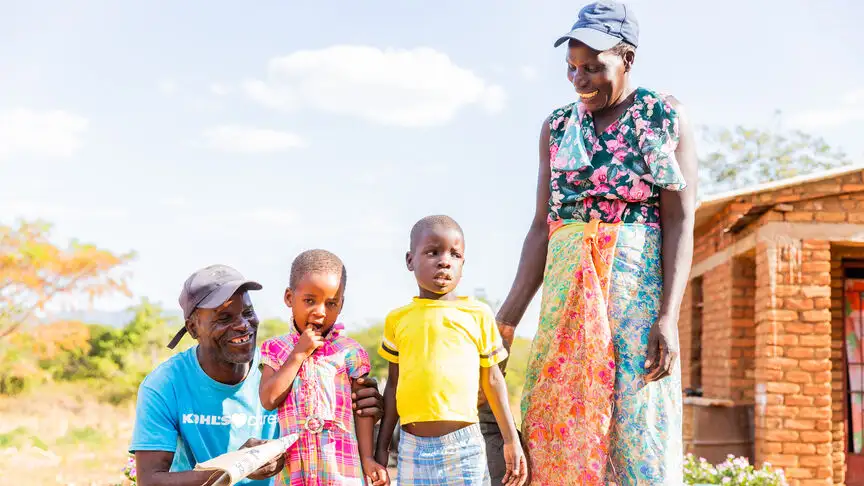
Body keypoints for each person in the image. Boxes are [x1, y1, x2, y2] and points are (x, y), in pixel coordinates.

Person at [493, 1, 698, 484]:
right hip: (567, 299)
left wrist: (668, 316)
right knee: (561, 417)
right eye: (571, 68)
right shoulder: (557, 126)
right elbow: (543, 226)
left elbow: (681, 220)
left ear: (627, 59)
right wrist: (505, 321)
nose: (579, 78)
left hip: (634, 301)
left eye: (592, 67)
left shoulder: (662, 115)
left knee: (638, 423)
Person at [130, 264, 385, 486]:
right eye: (224, 318)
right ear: (193, 327)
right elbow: (151, 480)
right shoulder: (164, 385)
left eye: (248, 312)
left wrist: (364, 403)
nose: (242, 324)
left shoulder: (287, 366)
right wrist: (238, 467)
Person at [375, 215, 527, 486]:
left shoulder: (478, 314)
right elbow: (393, 387)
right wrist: (381, 450)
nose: (445, 261)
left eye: (455, 255)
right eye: (432, 252)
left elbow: (493, 381)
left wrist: (510, 440)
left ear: (462, 265)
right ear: (410, 260)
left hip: (464, 446)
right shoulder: (397, 320)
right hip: (411, 448)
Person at [258, 250, 389, 486]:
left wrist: (367, 458)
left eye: (331, 303)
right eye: (310, 301)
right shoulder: (275, 349)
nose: (320, 311)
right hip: (294, 468)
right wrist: (299, 353)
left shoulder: (350, 352)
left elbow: (364, 411)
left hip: (341, 470)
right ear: (289, 298)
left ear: (341, 304)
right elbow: (268, 399)